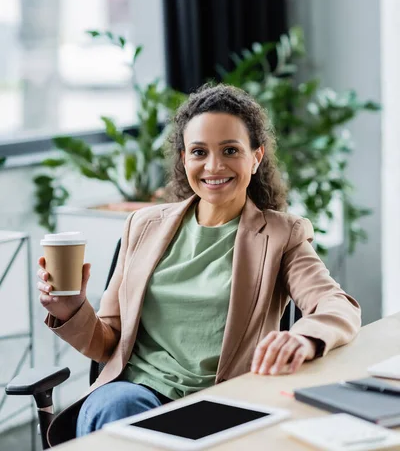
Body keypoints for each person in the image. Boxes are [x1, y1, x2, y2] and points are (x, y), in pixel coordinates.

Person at [37, 83, 361, 446]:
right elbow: (108, 343)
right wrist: (72, 311)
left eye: (230, 150)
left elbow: (337, 305)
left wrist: (303, 338)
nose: (214, 165)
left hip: (221, 404)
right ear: (183, 159)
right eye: (199, 152)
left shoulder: (282, 235)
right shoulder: (143, 226)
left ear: (256, 157)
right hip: (135, 396)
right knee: (119, 410)